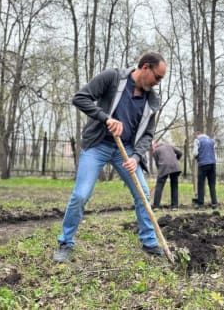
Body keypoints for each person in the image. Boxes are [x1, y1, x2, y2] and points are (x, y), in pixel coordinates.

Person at [53, 52, 167, 262]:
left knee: (143, 194)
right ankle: (65, 242)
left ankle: (150, 243)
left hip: (125, 152)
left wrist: (136, 156)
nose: (158, 83)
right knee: (80, 195)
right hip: (98, 145)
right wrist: (106, 119)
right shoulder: (113, 78)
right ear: (145, 67)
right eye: (157, 77)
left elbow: (148, 134)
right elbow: (80, 98)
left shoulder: (152, 101)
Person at [151, 141, 182, 211]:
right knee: (174, 186)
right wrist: (176, 159)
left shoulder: (155, 151)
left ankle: (156, 206)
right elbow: (180, 152)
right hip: (175, 166)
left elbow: (157, 163)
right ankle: (175, 206)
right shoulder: (169, 145)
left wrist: (159, 172)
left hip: (163, 167)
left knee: (159, 187)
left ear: (155, 145)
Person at [192, 131, 218, 209]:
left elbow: (195, 153)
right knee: (212, 184)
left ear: (197, 135)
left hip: (203, 164)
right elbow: (215, 155)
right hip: (212, 164)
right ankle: (214, 203)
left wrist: (197, 158)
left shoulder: (197, 140)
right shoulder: (211, 141)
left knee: (201, 184)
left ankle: (200, 204)